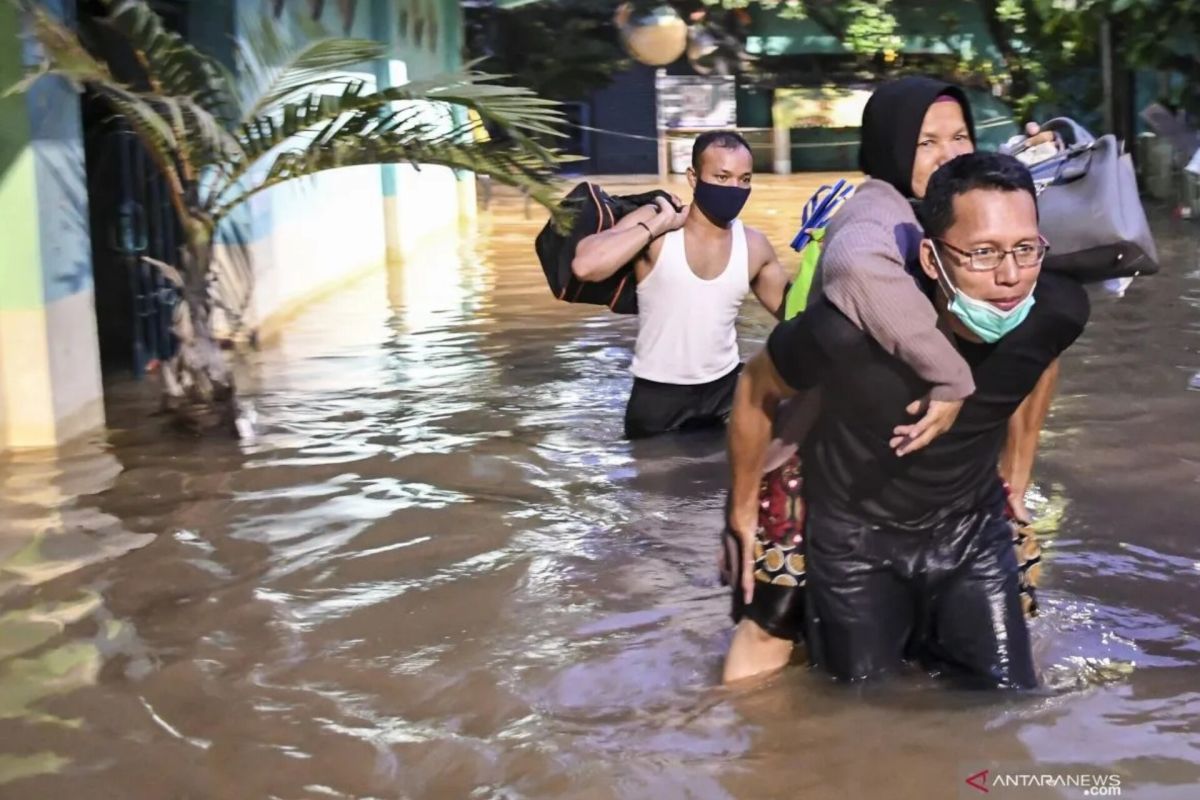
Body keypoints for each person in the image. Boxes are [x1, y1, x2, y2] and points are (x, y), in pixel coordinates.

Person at [720, 78, 1060, 683]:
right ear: (889, 148)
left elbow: (1037, 347)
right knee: (773, 619)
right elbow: (850, 274)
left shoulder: (978, 223)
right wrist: (739, 509)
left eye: (959, 137)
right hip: (819, 448)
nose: (949, 154)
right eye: (927, 142)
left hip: (941, 489)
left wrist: (1017, 474)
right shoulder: (877, 211)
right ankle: (730, 737)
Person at [570, 131, 791, 440]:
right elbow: (586, 266)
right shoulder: (656, 224)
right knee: (654, 486)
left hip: (725, 393)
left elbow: (798, 314)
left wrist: (823, 258)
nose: (734, 188)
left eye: (744, 179)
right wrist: (659, 222)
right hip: (658, 399)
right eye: (722, 177)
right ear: (692, 177)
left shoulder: (754, 245)